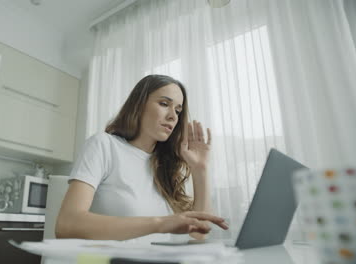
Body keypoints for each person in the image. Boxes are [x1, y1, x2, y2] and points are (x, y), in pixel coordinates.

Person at [56, 74, 228, 242]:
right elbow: (67, 225)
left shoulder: (165, 167)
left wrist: (200, 170)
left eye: (177, 110)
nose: (173, 116)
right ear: (138, 105)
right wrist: (160, 224)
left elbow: (199, 234)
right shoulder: (104, 145)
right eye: (164, 104)